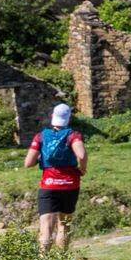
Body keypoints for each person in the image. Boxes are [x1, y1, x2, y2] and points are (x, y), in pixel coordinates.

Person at [25, 103, 87, 252]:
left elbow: (28, 163)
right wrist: (82, 169)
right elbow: (82, 155)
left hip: (49, 184)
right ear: (68, 118)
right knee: (64, 224)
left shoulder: (40, 136)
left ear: (53, 116)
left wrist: (42, 159)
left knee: (46, 225)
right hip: (70, 184)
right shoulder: (73, 135)